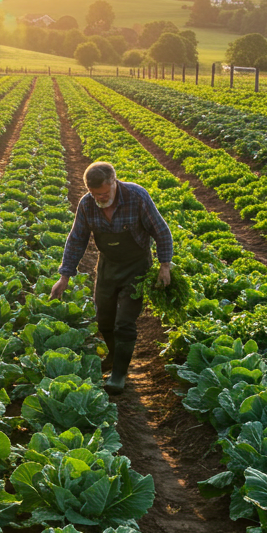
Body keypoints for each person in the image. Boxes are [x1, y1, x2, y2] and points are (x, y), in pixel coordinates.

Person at [49, 161, 173, 394]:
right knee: (104, 320)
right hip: (107, 266)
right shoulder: (87, 204)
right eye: (95, 194)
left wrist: (164, 265)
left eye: (104, 193)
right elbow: (77, 239)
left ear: (114, 182)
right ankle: (115, 356)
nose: (100, 198)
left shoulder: (136, 197)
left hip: (137, 267)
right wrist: (64, 276)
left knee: (124, 322)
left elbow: (160, 230)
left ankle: (119, 373)